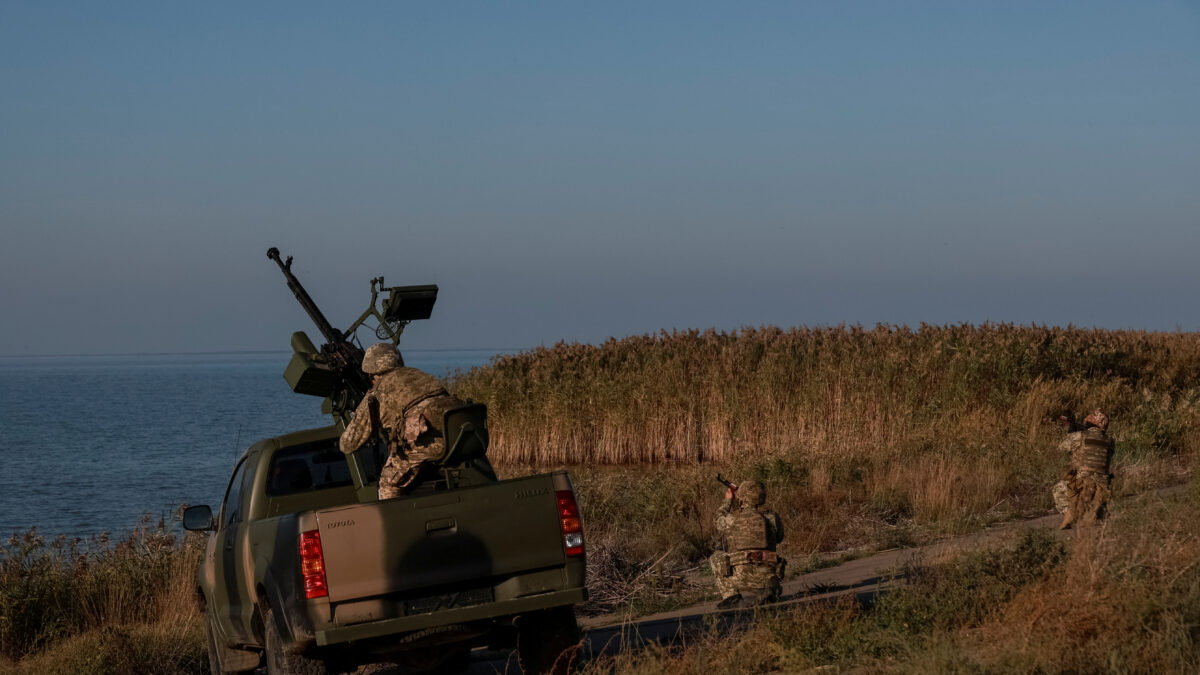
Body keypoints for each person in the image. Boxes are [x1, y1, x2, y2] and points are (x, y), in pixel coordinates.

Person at [339, 343, 465, 499]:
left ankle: (394, 521)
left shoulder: (378, 394)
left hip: (430, 444)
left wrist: (365, 402)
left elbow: (348, 443)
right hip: (459, 437)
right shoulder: (419, 375)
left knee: (388, 482)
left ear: (372, 374)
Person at [709, 479, 786, 609]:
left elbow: (717, 519)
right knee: (769, 570)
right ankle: (770, 589)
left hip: (740, 578)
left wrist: (728, 500)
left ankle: (731, 597)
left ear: (742, 498)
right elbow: (779, 538)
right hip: (766, 574)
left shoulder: (733, 520)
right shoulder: (772, 518)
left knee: (716, 557)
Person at [1052, 409, 1115, 529]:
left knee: (1058, 489)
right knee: (1099, 519)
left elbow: (1061, 448)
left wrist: (1071, 432)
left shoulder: (1079, 436)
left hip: (1082, 483)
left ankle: (1069, 513)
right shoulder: (1110, 441)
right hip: (1103, 486)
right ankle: (1097, 517)